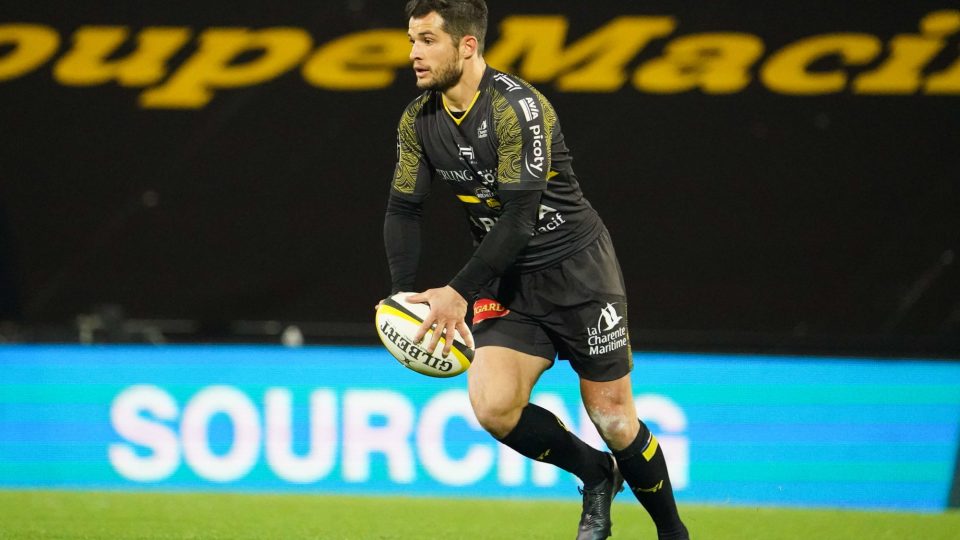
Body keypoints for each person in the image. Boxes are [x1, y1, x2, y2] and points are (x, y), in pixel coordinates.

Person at [382, 1, 689, 538]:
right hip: (508, 282)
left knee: (614, 418)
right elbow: (403, 209)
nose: (414, 54)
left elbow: (521, 219)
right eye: (412, 39)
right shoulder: (418, 120)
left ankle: (673, 533)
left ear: (468, 45)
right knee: (494, 406)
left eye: (428, 40)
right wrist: (403, 296)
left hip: (578, 271)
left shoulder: (516, 109)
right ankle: (595, 474)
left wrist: (456, 291)